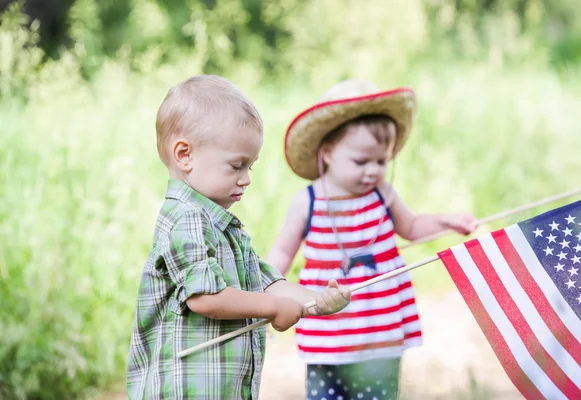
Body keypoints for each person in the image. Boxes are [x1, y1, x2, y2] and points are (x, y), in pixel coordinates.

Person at [126, 75, 351, 400]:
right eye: (236, 166)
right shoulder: (186, 220)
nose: (246, 179)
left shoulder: (225, 227)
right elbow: (205, 298)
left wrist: (316, 301)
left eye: (251, 167)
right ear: (185, 155)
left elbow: (267, 284)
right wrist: (273, 308)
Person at [266, 79, 476, 400]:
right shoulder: (308, 201)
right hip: (329, 329)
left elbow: (413, 226)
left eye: (381, 161)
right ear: (327, 154)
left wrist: (446, 222)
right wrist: (265, 290)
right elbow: (283, 250)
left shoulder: (383, 195)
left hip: (379, 328)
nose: (372, 171)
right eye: (360, 162)